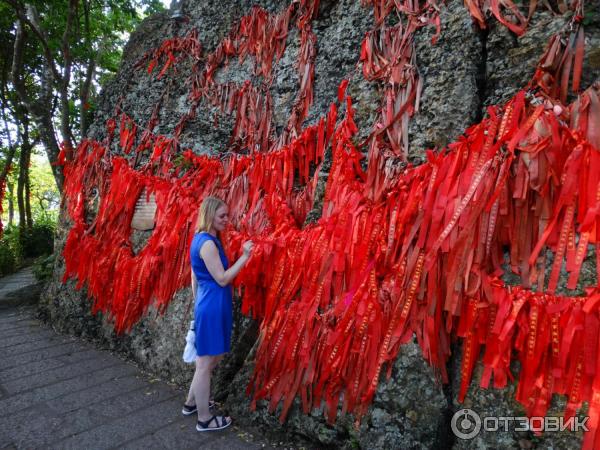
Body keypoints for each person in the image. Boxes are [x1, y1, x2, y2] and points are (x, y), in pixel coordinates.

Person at [182, 196, 253, 431]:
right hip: (213, 304)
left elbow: (194, 276)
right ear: (210, 215)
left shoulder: (203, 239)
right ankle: (204, 419)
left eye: (226, 215)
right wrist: (244, 257)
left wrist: (198, 301)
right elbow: (222, 278)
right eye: (222, 215)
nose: (226, 219)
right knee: (205, 363)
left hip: (209, 303)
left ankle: (192, 402)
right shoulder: (208, 243)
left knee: (212, 358)